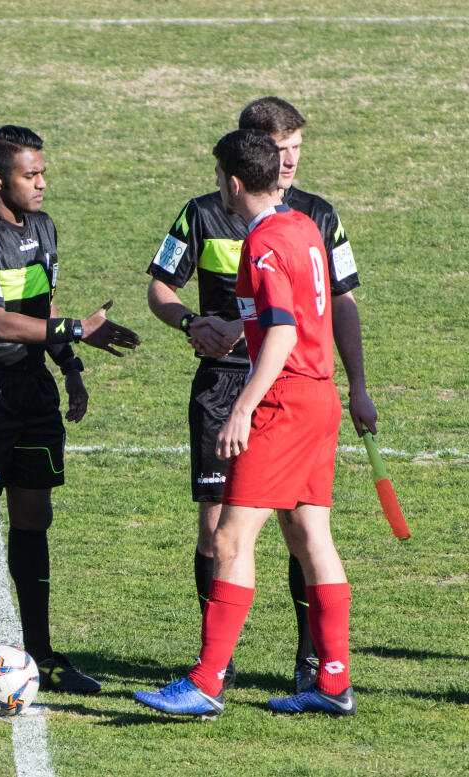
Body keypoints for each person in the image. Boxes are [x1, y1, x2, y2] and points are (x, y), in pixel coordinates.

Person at [145, 96, 376, 691]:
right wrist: (208, 326)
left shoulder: (269, 240)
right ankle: (333, 684)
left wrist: (244, 408)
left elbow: (282, 329)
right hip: (314, 393)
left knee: (230, 536)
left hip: (277, 396)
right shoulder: (302, 226)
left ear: (233, 178)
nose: (291, 158)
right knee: (309, 535)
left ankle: (206, 681)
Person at [0, 125, 140, 703]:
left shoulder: (44, 227)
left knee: (34, 516)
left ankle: (43, 656)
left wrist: (70, 365)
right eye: (31, 175)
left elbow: (41, 307)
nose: (42, 183)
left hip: (31, 391)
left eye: (43, 172)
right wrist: (76, 328)